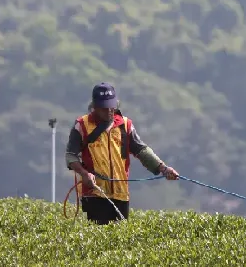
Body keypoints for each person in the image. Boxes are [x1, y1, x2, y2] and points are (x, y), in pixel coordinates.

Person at [65, 82, 179, 225]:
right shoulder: (82, 125)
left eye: (111, 106)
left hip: (121, 194)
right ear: (94, 106)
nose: (109, 111)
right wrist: (84, 173)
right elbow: (70, 156)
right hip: (94, 193)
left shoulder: (125, 125)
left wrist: (163, 168)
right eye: (104, 108)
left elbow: (141, 150)